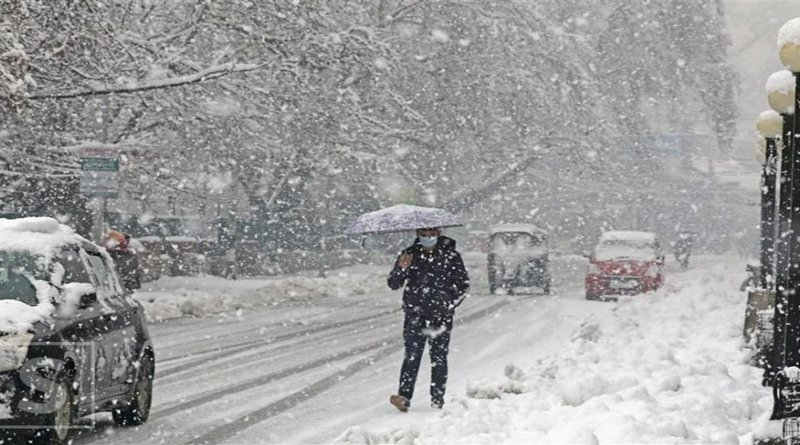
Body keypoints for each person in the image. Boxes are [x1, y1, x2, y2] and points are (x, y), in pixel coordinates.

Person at [387, 227, 470, 412]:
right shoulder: (409, 254)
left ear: (438, 233)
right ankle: (404, 397)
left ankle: (437, 398)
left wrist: (449, 304)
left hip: (441, 317)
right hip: (415, 316)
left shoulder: (451, 256)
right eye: (423, 234)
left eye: (431, 234)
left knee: (439, 358)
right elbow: (393, 283)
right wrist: (402, 268)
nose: (427, 238)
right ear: (417, 234)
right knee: (411, 357)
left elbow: (463, 285)